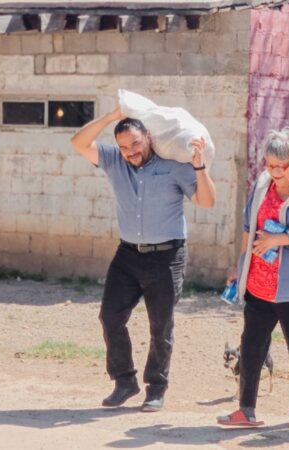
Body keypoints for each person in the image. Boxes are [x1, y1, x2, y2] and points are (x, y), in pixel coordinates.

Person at [70, 107, 216, 412]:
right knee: (110, 317)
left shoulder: (174, 166)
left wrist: (200, 168)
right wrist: (110, 118)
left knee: (160, 326)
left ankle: (156, 387)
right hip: (127, 255)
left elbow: (207, 201)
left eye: (135, 144)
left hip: (167, 256)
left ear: (148, 137)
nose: (130, 152)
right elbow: (78, 143)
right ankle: (125, 382)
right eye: (123, 146)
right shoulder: (113, 161)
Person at [217, 128, 289, 430]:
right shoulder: (263, 183)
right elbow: (247, 225)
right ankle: (246, 409)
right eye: (270, 165)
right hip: (259, 282)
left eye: (282, 166)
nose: (275, 172)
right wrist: (240, 265)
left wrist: (277, 239)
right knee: (251, 345)